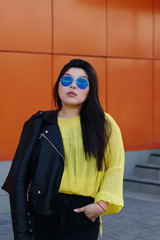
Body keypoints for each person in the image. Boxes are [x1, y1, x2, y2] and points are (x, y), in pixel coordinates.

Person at [2, 59, 124, 240]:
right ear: (58, 86)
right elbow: (19, 177)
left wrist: (101, 205)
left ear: (90, 91)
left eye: (82, 82)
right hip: (42, 210)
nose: (73, 85)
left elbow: (115, 165)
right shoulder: (39, 123)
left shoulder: (103, 124)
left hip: (81, 213)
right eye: (66, 80)